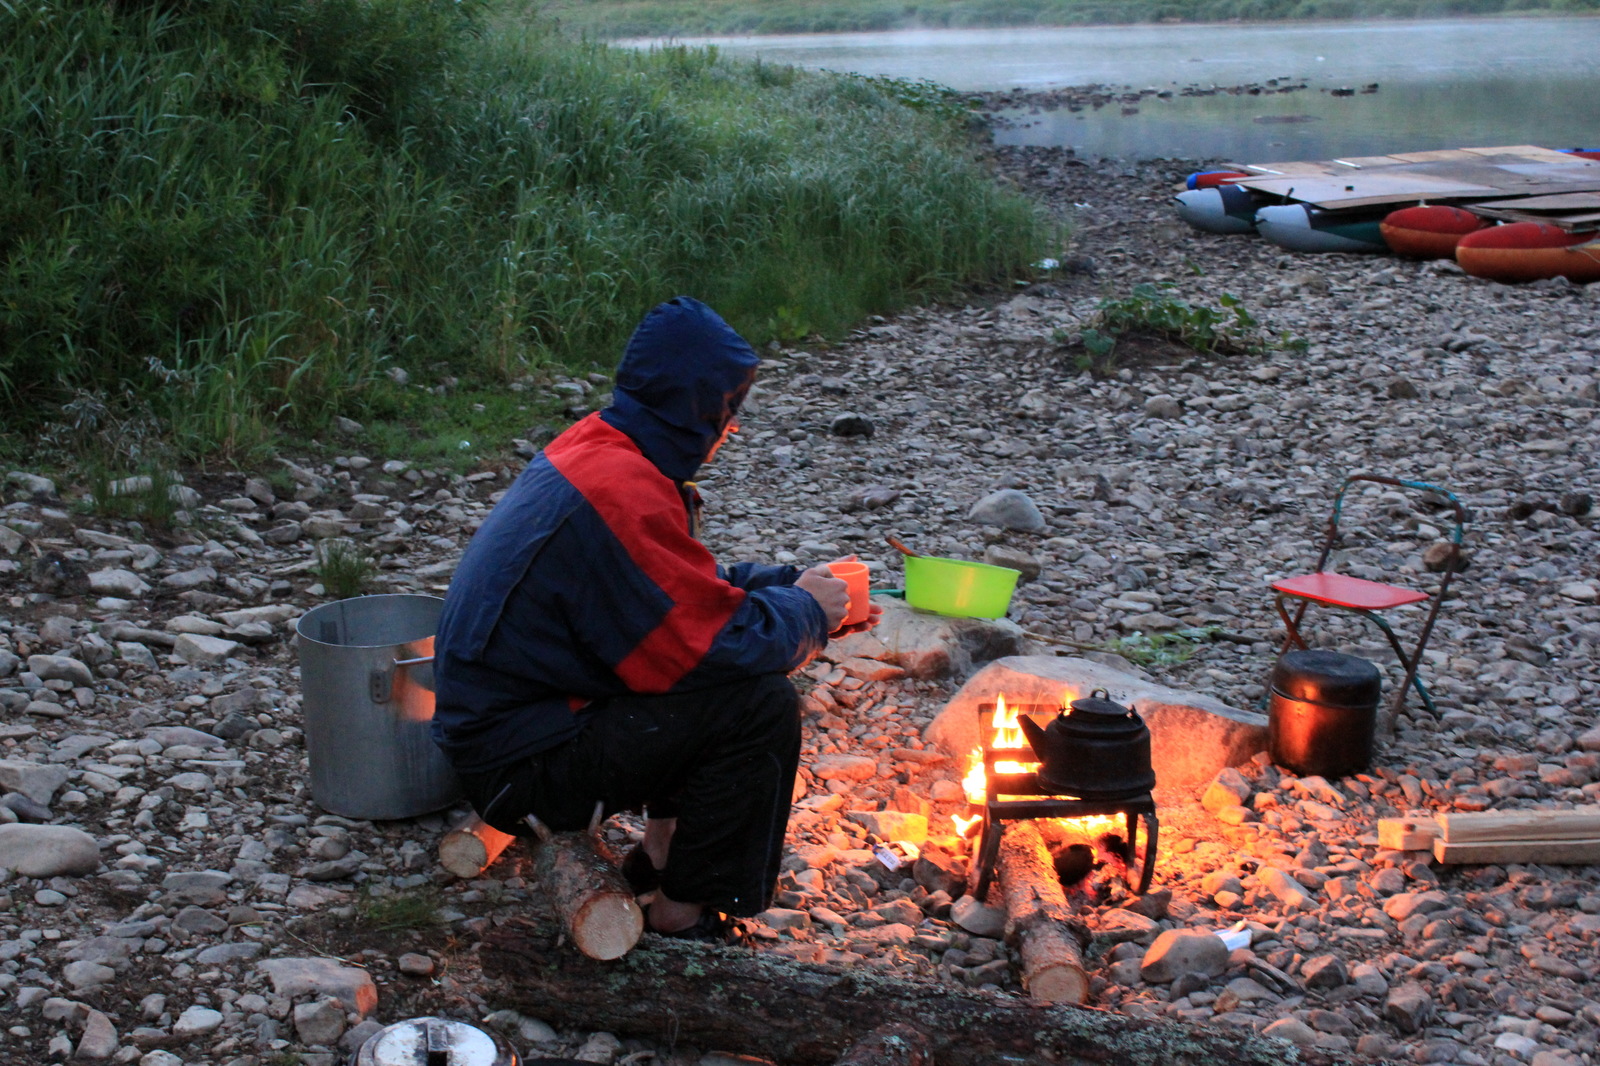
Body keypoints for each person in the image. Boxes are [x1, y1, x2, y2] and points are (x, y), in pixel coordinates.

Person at [430, 296, 879, 940]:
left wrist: (789, 586)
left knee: (722, 676)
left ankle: (664, 856)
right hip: (519, 768)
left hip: (510, 733)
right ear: (701, 410)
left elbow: (680, 590)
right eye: (729, 410)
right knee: (758, 703)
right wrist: (807, 614)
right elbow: (709, 645)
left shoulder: (601, 446)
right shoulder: (623, 491)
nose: (732, 429)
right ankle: (684, 909)